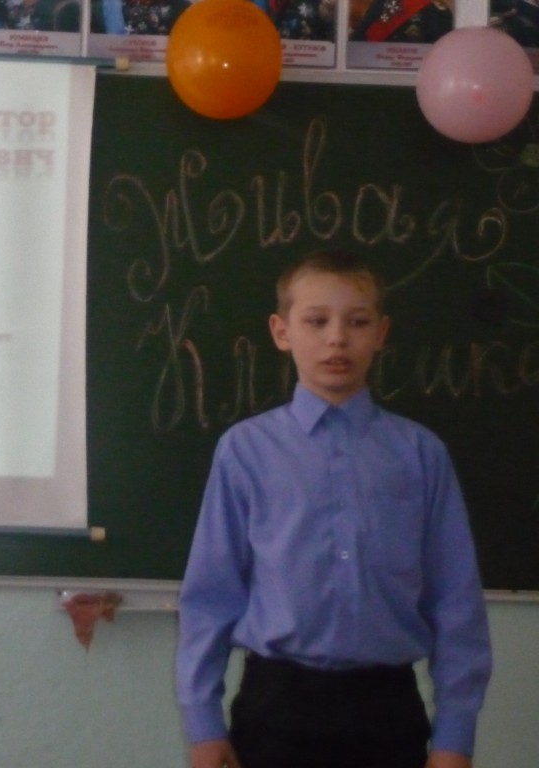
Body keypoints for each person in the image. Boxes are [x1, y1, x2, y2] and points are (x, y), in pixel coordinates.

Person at [176, 250, 492, 768]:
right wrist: (203, 723)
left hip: (388, 711)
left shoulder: (420, 453)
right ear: (281, 331)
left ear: (381, 333)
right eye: (316, 321)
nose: (337, 339)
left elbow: (454, 600)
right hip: (275, 708)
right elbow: (212, 594)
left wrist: (455, 736)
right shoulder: (246, 450)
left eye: (357, 322)